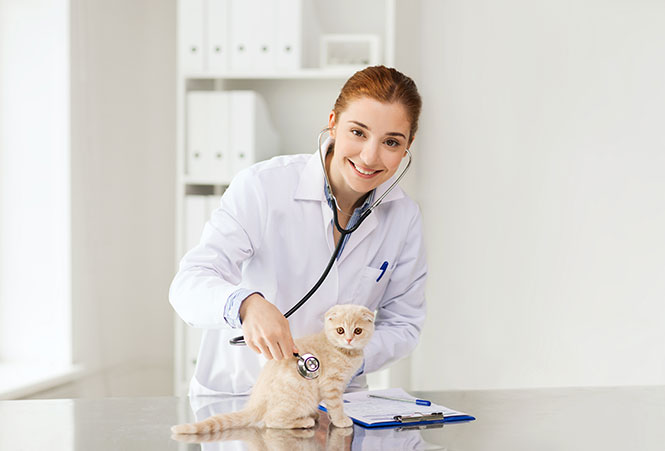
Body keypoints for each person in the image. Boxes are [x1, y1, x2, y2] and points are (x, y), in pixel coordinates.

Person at [169, 65, 427, 396]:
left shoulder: (403, 217)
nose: (369, 156)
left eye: (391, 142)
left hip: (337, 399)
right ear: (333, 123)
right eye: (358, 132)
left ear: (408, 146)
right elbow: (188, 284)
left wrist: (343, 358)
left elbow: (404, 323)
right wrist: (245, 304)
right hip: (243, 398)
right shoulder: (263, 187)